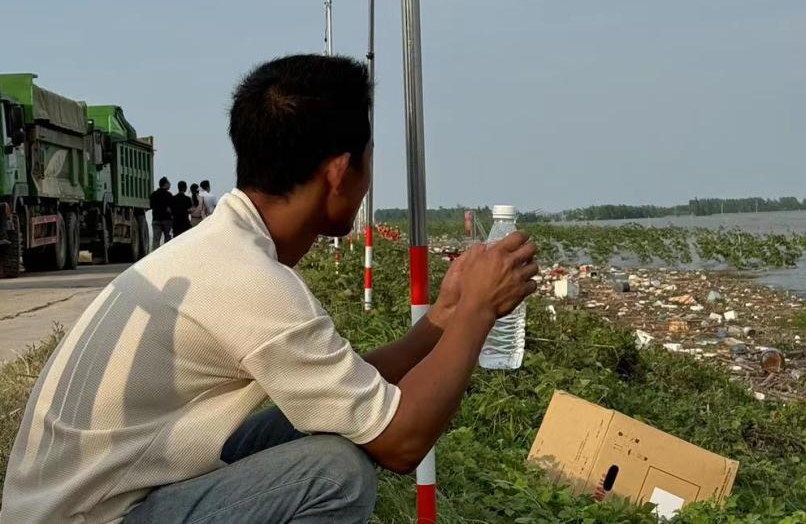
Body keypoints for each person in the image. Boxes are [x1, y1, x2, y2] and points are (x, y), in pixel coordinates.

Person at [0, 54, 538, 524]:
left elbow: (356, 397)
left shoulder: (227, 248)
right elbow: (401, 443)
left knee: (313, 419)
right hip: (90, 517)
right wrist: (480, 313)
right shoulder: (248, 280)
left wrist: (443, 318)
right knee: (336, 473)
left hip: (92, 497)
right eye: (370, 158)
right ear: (339, 171)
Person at [148, 176, 174, 249]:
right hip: (167, 220)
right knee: (167, 239)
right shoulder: (169, 195)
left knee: (156, 240)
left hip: (156, 219)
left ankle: (155, 256)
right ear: (165, 184)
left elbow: (151, 206)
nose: (170, 184)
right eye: (168, 183)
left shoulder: (153, 194)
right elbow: (171, 208)